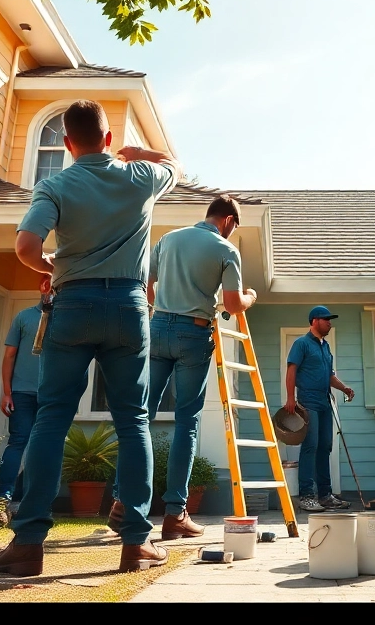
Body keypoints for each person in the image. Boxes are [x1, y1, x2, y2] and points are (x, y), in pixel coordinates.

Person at [0, 99, 178, 576]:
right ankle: (136, 542)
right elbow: (171, 165)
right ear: (108, 139)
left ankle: (29, 543)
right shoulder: (139, 178)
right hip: (129, 308)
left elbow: (26, 247)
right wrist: (137, 152)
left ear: (68, 144)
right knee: (133, 419)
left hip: (72, 306)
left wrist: (49, 265)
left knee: (52, 418)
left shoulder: (54, 184)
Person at [106, 196, 258, 539]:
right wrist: (250, 296)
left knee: (140, 416)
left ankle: (122, 501)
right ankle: (175, 515)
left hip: (158, 329)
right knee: (187, 422)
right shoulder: (224, 249)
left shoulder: (169, 239)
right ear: (230, 221)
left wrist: (163, 309)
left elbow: (145, 285)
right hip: (194, 333)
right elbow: (233, 305)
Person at [284, 305, 355, 512]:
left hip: (325, 402)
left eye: (330, 320)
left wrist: (344, 388)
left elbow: (329, 376)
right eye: (326, 319)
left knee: (326, 447)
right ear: (314, 321)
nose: (330, 323)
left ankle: (325, 495)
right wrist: (290, 398)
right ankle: (306, 496)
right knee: (310, 446)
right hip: (308, 401)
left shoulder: (325, 347)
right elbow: (291, 371)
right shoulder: (301, 344)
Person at [0, 302, 43, 513]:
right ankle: (3, 498)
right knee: (25, 444)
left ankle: (12, 497)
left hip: (49, 395)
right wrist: (7, 392)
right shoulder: (24, 317)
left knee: (30, 445)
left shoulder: (26, 316)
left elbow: (9, 356)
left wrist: (7, 392)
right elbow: (9, 355)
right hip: (25, 393)